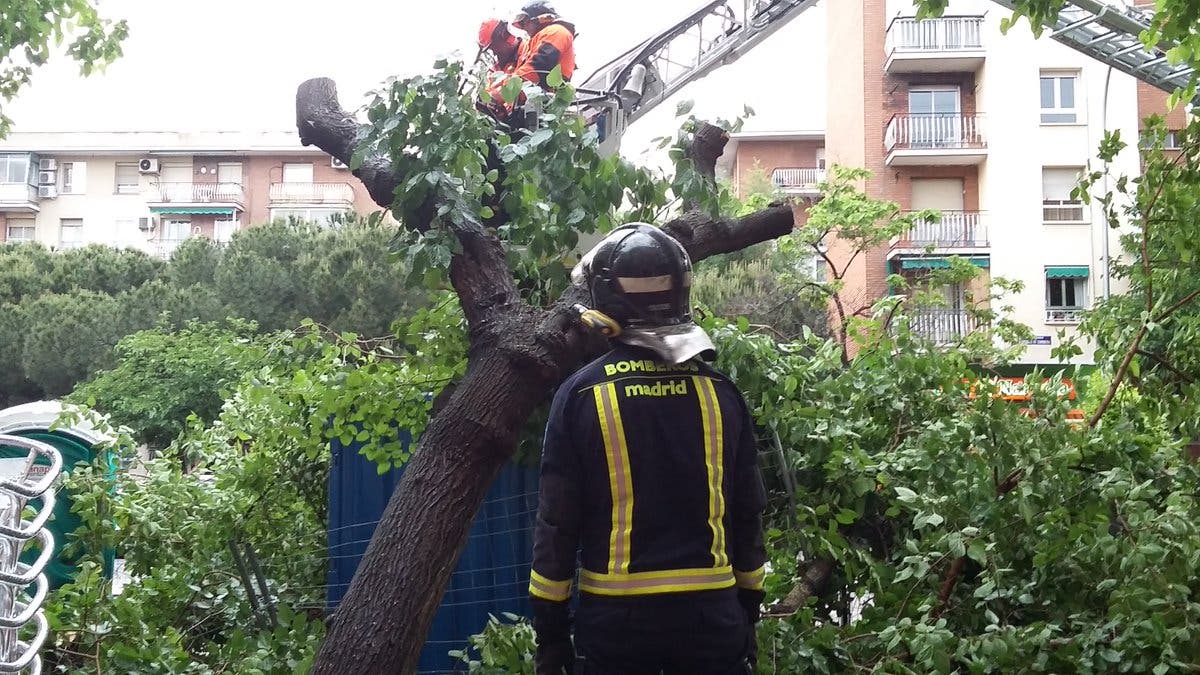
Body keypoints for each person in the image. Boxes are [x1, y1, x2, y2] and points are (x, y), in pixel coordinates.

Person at [529, 223, 767, 675]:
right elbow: (748, 516)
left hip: (617, 625)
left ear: (607, 301)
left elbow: (556, 529)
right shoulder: (722, 394)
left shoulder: (582, 396)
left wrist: (552, 636)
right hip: (713, 620)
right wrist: (747, 616)